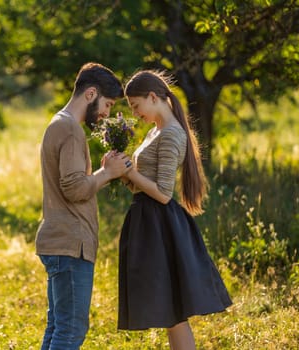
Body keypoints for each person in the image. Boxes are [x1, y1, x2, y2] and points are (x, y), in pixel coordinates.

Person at [118, 70, 232, 349]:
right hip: (149, 221)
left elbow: (164, 193)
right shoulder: (155, 131)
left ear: (153, 97)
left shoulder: (171, 134)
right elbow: (144, 184)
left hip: (161, 224)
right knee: (171, 313)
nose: (135, 112)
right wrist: (120, 172)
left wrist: (130, 173)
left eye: (136, 105)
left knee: (175, 312)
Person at [35, 62, 132, 349]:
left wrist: (100, 173)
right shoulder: (70, 130)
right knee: (71, 332)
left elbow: (72, 181)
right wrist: (108, 174)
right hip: (70, 244)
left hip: (60, 242)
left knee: (58, 327)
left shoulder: (59, 122)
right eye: (108, 104)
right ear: (91, 94)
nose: (107, 114)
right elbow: (75, 188)